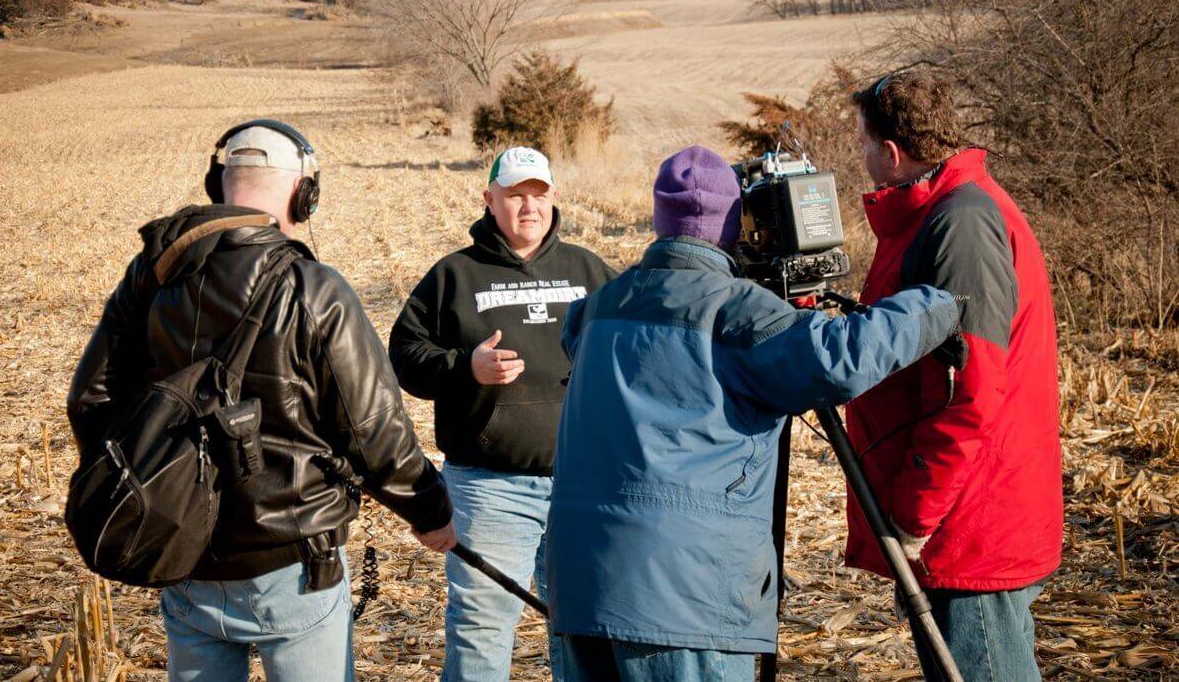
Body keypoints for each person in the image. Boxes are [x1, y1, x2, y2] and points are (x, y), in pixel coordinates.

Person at [546, 145, 963, 682]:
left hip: (581, 586)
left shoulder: (601, 306)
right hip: (685, 600)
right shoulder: (734, 309)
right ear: (731, 225)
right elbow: (840, 358)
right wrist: (939, 305)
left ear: (659, 218)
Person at [68, 120, 456, 682]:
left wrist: (149, 494)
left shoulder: (151, 276)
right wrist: (430, 511)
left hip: (182, 558)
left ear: (217, 183)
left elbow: (91, 399)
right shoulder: (313, 288)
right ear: (305, 192)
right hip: (296, 565)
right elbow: (374, 430)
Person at [845, 73, 1061, 681]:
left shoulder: (960, 223)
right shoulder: (947, 208)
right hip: (968, 509)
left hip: (969, 522)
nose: (860, 159)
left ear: (892, 153)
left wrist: (915, 513)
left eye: (863, 146)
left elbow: (970, 390)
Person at [389, 146, 616, 681]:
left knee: (587, 625)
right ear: (490, 200)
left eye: (538, 194)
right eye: (515, 195)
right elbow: (404, 357)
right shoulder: (454, 276)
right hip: (489, 487)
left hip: (583, 482)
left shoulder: (589, 271)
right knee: (481, 625)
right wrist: (465, 366)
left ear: (554, 198)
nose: (529, 207)